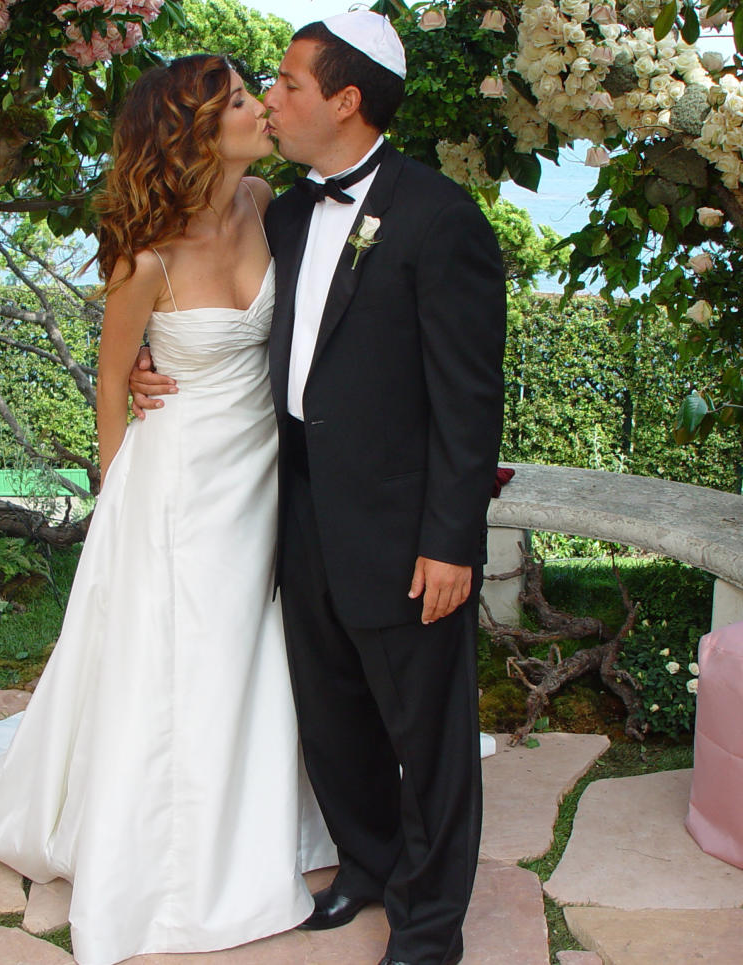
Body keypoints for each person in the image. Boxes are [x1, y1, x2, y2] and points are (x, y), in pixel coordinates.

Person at [131, 14, 507, 965]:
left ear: (345, 100)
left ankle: (430, 927)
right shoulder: (285, 212)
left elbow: (470, 402)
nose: (274, 98)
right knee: (333, 719)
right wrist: (145, 359)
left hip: (404, 529)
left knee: (428, 736)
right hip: (294, 511)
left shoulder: (440, 218)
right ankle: (369, 867)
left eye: (290, 85)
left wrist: (452, 541)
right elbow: (210, 306)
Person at [0, 54, 335, 965]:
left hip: (264, 469)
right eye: (243, 102)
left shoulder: (271, 210)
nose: (262, 110)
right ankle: (177, 851)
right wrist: (120, 499)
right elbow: (110, 380)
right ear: (197, 133)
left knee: (253, 641)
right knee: (190, 652)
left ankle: (258, 799)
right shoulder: (148, 254)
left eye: (256, 96)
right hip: (180, 482)